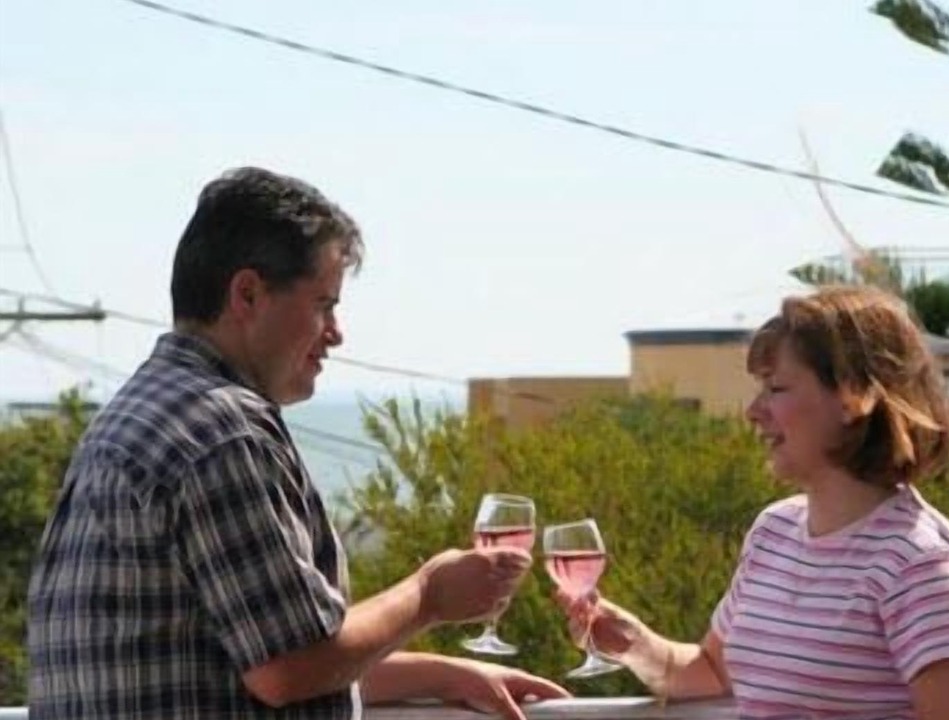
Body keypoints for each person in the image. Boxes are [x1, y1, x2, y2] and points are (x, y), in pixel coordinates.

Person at [26, 166, 569, 720]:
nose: (336, 333)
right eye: (324, 305)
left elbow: (252, 656)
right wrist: (428, 594)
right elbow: (288, 667)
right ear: (248, 294)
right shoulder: (221, 430)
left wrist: (444, 675)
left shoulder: (138, 415)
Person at [560, 286, 949, 720]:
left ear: (854, 397)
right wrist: (632, 644)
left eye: (776, 388)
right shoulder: (774, 532)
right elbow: (712, 671)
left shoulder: (923, 564)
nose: (753, 410)